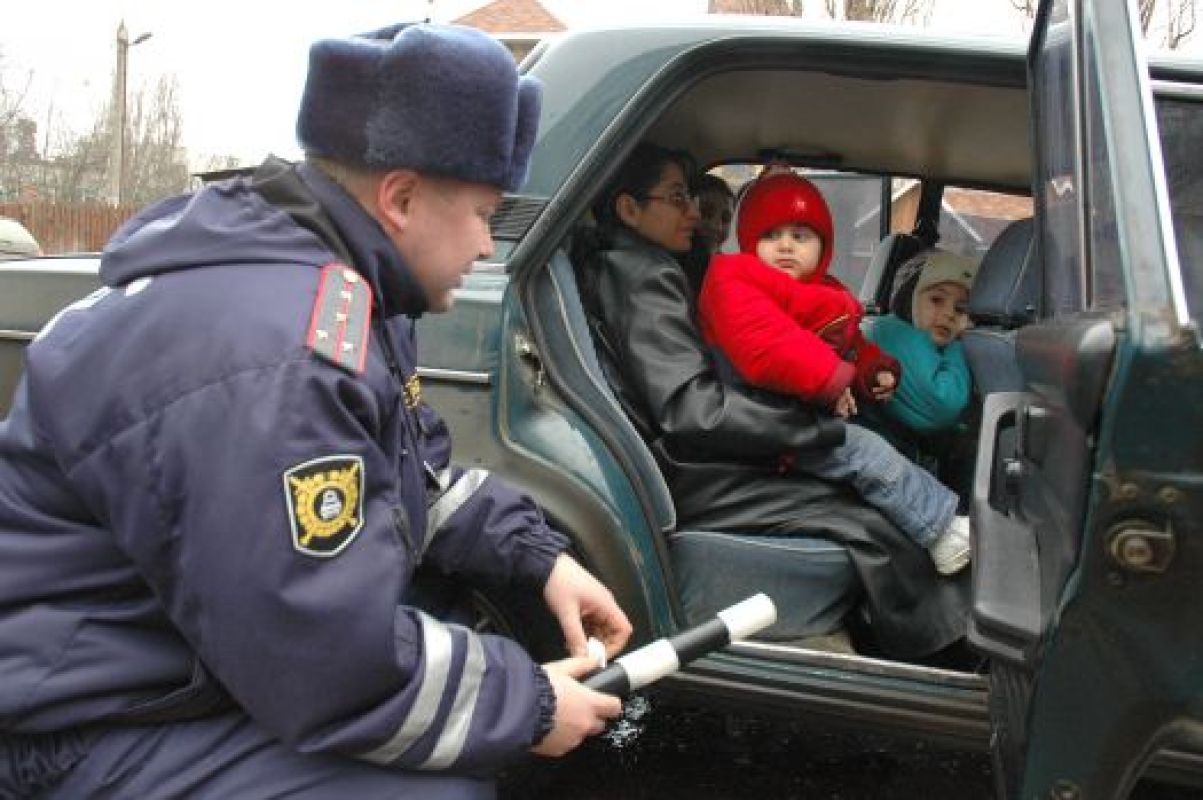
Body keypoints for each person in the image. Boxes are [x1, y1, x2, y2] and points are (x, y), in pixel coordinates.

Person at [0, 23, 631, 799]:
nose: (485, 250)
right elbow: (317, 653)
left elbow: (408, 476)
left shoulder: (337, 292)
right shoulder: (277, 353)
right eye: (482, 215)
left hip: (164, 664)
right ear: (400, 198)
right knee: (438, 789)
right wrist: (527, 702)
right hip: (79, 724)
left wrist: (540, 558)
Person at [576, 142, 968, 661]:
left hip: (706, 452)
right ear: (629, 210)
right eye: (678, 198)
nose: (695, 212)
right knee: (869, 515)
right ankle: (934, 650)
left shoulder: (660, 268)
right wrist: (813, 429)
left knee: (868, 490)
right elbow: (691, 409)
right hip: (698, 468)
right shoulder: (644, 278)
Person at [697, 172, 971, 577]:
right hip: (760, 425)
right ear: (751, 241)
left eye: (801, 236)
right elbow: (768, 344)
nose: (786, 245)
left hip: (797, 417)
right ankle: (943, 531)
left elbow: (853, 347)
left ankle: (922, 518)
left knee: (878, 445)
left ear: (824, 246)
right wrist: (833, 380)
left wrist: (874, 370)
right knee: (865, 452)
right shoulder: (733, 277)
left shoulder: (827, 293)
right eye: (772, 235)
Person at [864, 247, 978, 437]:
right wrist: (958, 346)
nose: (949, 314)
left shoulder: (899, 332)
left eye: (960, 309)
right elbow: (943, 405)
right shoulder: (894, 335)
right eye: (936, 300)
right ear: (909, 299)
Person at [680, 173, 737, 298]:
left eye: (725, 218)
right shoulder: (675, 271)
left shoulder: (727, 268)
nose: (716, 226)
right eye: (705, 213)